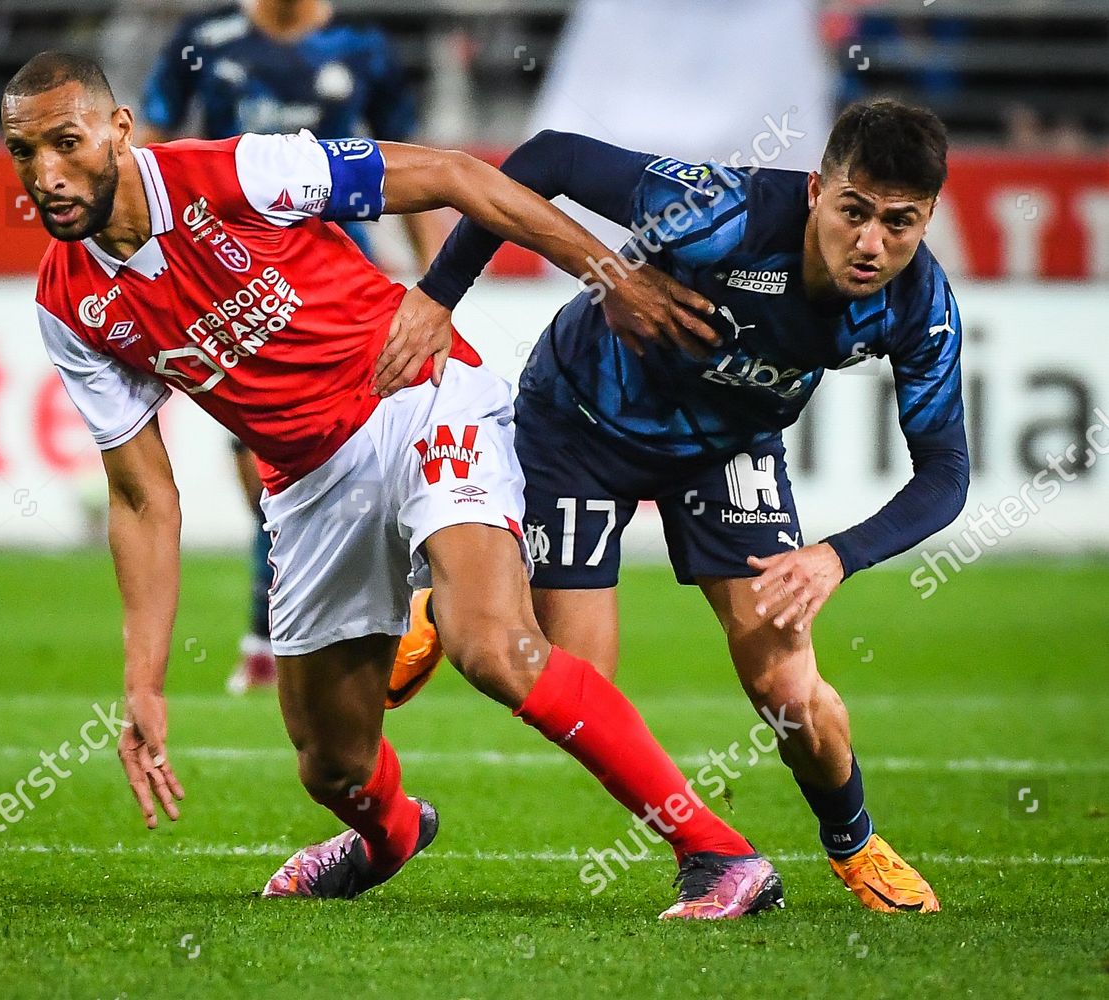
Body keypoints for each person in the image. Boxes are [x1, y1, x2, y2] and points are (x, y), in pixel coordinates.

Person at [4, 50, 783, 918]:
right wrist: (143, 680)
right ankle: (392, 834)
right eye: (23, 154)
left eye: (64, 143)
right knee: (329, 762)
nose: (46, 175)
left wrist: (613, 275)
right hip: (306, 483)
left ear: (118, 131)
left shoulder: (241, 172)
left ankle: (719, 855)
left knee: (492, 645)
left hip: (415, 397)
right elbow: (144, 498)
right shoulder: (66, 302)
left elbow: (453, 175)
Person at [388, 99, 967, 913]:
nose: (872, 243)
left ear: (929, 216)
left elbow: (946, 473)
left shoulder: (918, 307)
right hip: (582, 424)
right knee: (575, 683)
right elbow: (547, 155)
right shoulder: (718, 211)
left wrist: (836, 555)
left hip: (729, 449)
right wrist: (443, 294)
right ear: (814, 192)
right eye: (854, 212)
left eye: (900, 223)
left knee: (791, 691)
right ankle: (451, 607)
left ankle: (856, 845)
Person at [138, 0, 446, 693]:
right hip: (230, 287)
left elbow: (416, 165)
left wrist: (438, 290)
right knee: (271, 478)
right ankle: (313, 628)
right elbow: (146, 159)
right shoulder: (202, 40)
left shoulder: (362, 45)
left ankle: (290, 641)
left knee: (332, 461)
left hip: (338, 291)